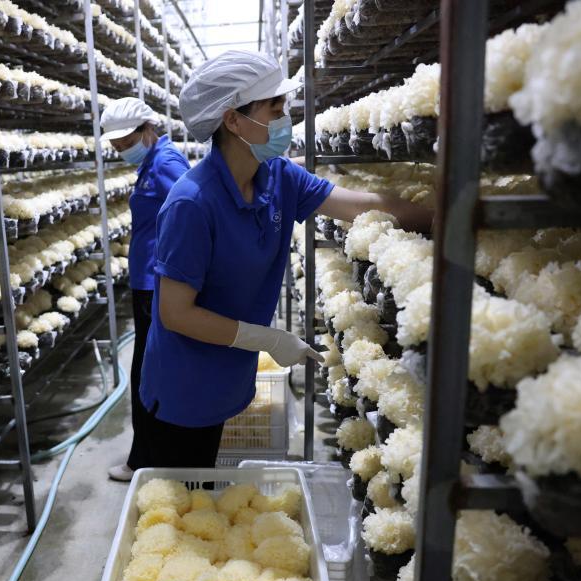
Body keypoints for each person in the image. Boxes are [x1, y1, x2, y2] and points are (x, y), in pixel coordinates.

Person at [136, 51, 433, 469]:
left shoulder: (278, 175)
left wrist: (450, 215)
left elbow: (356, 205)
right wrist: (268, 339)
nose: (285, 118)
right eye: (274, 108)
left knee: (208, 474)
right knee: (182, 493)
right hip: (185, 383)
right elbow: (175, 313)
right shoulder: (191, 203)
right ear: (233, 120)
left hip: (228, 371)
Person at [98, 98, 191, 481]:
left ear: (148, 129)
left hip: (158, 285)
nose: (122, 150)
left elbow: (194, 210)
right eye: (116, 145)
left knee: (148, 373)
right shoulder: (152, 162)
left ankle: (146, 459)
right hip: (148, 281)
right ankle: (150, 455)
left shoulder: (166, 163)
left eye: (127, 142)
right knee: (148, 370)